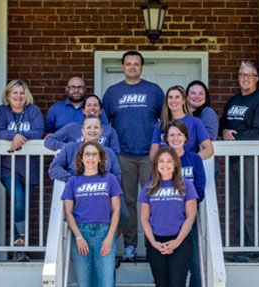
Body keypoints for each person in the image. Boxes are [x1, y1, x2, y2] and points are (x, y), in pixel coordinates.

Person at [102, 51, 165, 261]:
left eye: (136, 64)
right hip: (124, 156)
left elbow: (165, 121)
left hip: (150, 156)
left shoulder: (154, 91)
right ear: (123, 66)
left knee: (153, 200)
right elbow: (104, 126)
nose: (132, 67)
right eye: (128, 64)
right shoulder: (112, 92)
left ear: (141, 67)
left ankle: (152, 244)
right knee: (128, 201)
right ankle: (130, 246)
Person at [220, 60, 259, 262]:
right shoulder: (233, 101)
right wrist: (224, 132)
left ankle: (253, 250)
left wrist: (234, 137)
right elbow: (223, 125)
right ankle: (241, 247)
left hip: (253, 158)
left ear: (256, 78)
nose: (244, 78)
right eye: (242, 74)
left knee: (252, 204)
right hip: (234, 157)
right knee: (236, 204)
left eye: (249, 75)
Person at [0, 79, 44, 261]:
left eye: (21, 93)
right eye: (14, 92)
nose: (18, 96)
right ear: (8, 95)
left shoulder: (34, 111)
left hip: (30, 168)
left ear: (26, 95)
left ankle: (19, 249)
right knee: (18, 198)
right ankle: (21, 239)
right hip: (8, 167)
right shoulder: (1, 111)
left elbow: (38, 132)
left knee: (23, 207)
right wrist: (13, 135)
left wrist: (19, 136)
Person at [62, 141, 123, 287]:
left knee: (106, 282)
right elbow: (68, 212)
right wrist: (78, 237)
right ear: (81, 158)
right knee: (84, 283)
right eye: (87, 154)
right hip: (81, 233)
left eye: (94, 154)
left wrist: (109, 237)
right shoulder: (73, 181)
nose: (91, 158)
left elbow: (116, 210)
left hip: (104, 233)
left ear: (100, 158)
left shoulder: (110, 179)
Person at [139, 146, 198, 287]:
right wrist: (153, 243)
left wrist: (177, 241)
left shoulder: (186, 185)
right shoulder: (148, 188)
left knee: (177, 283)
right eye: (161, 161)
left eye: (169, 161)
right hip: (156, 242)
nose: (165, 165)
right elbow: (144, 218)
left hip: (180, 241)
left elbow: (191, 216)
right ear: (156, 164)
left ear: (175, 164)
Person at [164, 120, 206, 287]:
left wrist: (187, 205)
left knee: (194, 260)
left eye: (179, 135)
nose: (176, 139)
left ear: (186, 138)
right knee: (168, 260)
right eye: (172, 135)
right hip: (166, 218)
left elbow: (200, 188)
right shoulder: (161, 161)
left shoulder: (194, 160)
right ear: (166, 139)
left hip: (190, 217)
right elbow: (154, 188)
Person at [148, 85, 213, 160]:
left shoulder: (195, 122)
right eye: (170, 97)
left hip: (188, 166)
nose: (173, 101)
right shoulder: (161, 125)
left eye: (177, 97)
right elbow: (153, 154)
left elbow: (209, 150)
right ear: (166, 102)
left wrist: (192, 161)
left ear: (183, 100)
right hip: (167, 166)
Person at [49, 115, 121, 182]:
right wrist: (72, 179)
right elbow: (54, 168)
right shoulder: (70, 148)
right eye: (89, 127)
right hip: (75, 189)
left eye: (96, 127)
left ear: (101, 131)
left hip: (103, 189)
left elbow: (117, 176)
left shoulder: (109, 152)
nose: (92, 130)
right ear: (83, 130)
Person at [44, 94, 121, 154]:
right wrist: (67, 147)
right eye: (89, 105)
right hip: (75, 169)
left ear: (101, 110)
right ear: (83, 110)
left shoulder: (109, 131)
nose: (92, 108)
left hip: (101, 168)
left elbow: (115, 153)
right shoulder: (72, 127)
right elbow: (49, 140)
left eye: (95, 105)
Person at [45, 76, 109, 134]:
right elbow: (47, 132)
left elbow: (106, 130)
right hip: (61, 143)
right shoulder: (55, 108)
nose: (76, 90)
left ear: (85, 89)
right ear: (67, 89)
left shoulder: (94, 109)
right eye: (73, 87)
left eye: (80, 87)